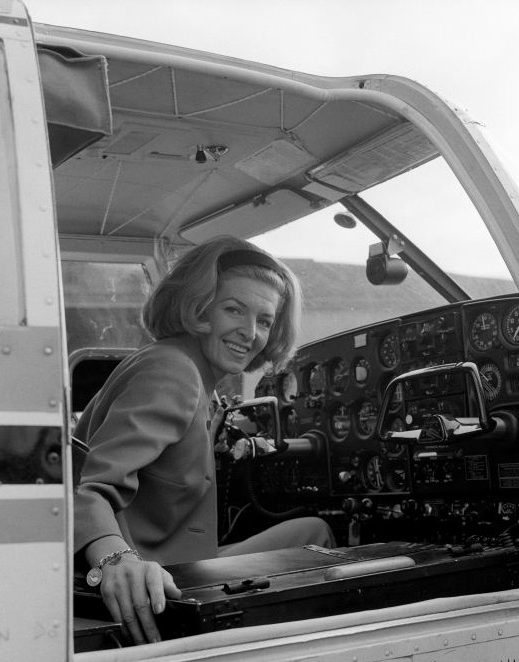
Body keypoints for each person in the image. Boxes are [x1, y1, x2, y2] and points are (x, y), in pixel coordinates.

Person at [73, 236, 334, 644]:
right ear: (198, 309)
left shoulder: (187, 371)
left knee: (311, 532)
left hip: (183, 561)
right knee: (324, 543)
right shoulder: (174, 372)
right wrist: (115, 558)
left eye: (264, 321)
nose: (250, 333)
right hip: (161, 579)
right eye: (234, 309)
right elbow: (86, 487)